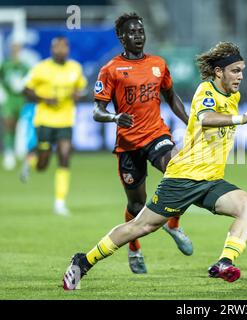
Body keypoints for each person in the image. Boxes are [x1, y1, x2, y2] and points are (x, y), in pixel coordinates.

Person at [62, 41, 247, 290]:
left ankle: (224, 263)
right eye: (235, 70)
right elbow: (205, 119)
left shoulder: (233, 95)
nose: (240, 76)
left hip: (211, 179)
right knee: (141, 226)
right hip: (184, 177)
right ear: (219, 72)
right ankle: (83, 261)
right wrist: (240, 119)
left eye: (242, 70)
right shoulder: (206, 91)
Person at [92, 12, 193, 274]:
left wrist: (192, 122)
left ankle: (173, 224)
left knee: (180, 171)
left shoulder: (158, 63)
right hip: (128, 145)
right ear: (121, 37)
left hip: (157, 134)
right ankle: (134, 249)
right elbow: (97, 110)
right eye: (132, 32)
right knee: (136, 206)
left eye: (141, 31)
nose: (138, 36)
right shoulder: (111, 69)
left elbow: (171, 97)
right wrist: (115, 116)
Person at [22, 37, 87, 215]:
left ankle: (60, 203)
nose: (61, 50)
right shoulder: (40, 68)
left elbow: (81, 88)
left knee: (65, 156)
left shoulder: (75, 68)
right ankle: (31, 160)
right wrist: (44, 99)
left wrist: (77, 95)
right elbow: (25, 89)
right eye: (58, 47)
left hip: (65, 121)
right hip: (44, 120)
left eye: (64, 47)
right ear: (52, 50)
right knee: (42, 164)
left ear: (68, 49)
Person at [0, 42, 29, 170]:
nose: (15, 51)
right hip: (9, 99)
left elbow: (30, 81)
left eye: (18, 48)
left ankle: (20, 151)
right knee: (8, 125)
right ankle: (8, 153)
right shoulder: (5, 65)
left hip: (21, 100)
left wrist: (24, 86)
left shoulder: (25, 66)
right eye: (14, 48)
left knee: (21, 127)